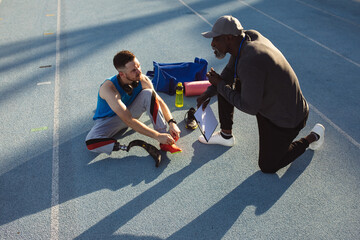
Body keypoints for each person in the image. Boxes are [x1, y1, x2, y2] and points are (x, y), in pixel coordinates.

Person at [197, 15, 325, 173]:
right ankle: (225, 135)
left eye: (215, 39)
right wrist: (209, 92)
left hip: (287, 118)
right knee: (224, 85)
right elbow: (230, 71)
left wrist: (220, 85)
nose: (212, 44)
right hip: (273, 103)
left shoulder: (251, 61)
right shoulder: (247, 37)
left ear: (228, 38)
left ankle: (313, 137)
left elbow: (250, 107)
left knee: (268, 166)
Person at [86, 50, 181, 155]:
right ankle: (123, 147)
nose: (139, 71)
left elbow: (159, 101)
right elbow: (128, 120)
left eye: (139, 66)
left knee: (149, 93)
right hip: (109, 121)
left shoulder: (142, 79)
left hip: (130, 112)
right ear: (122, 74)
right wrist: (156, 136)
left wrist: (172, 122)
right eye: (133, 70)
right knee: (91, 143)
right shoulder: (108, 88)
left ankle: (165, 140)